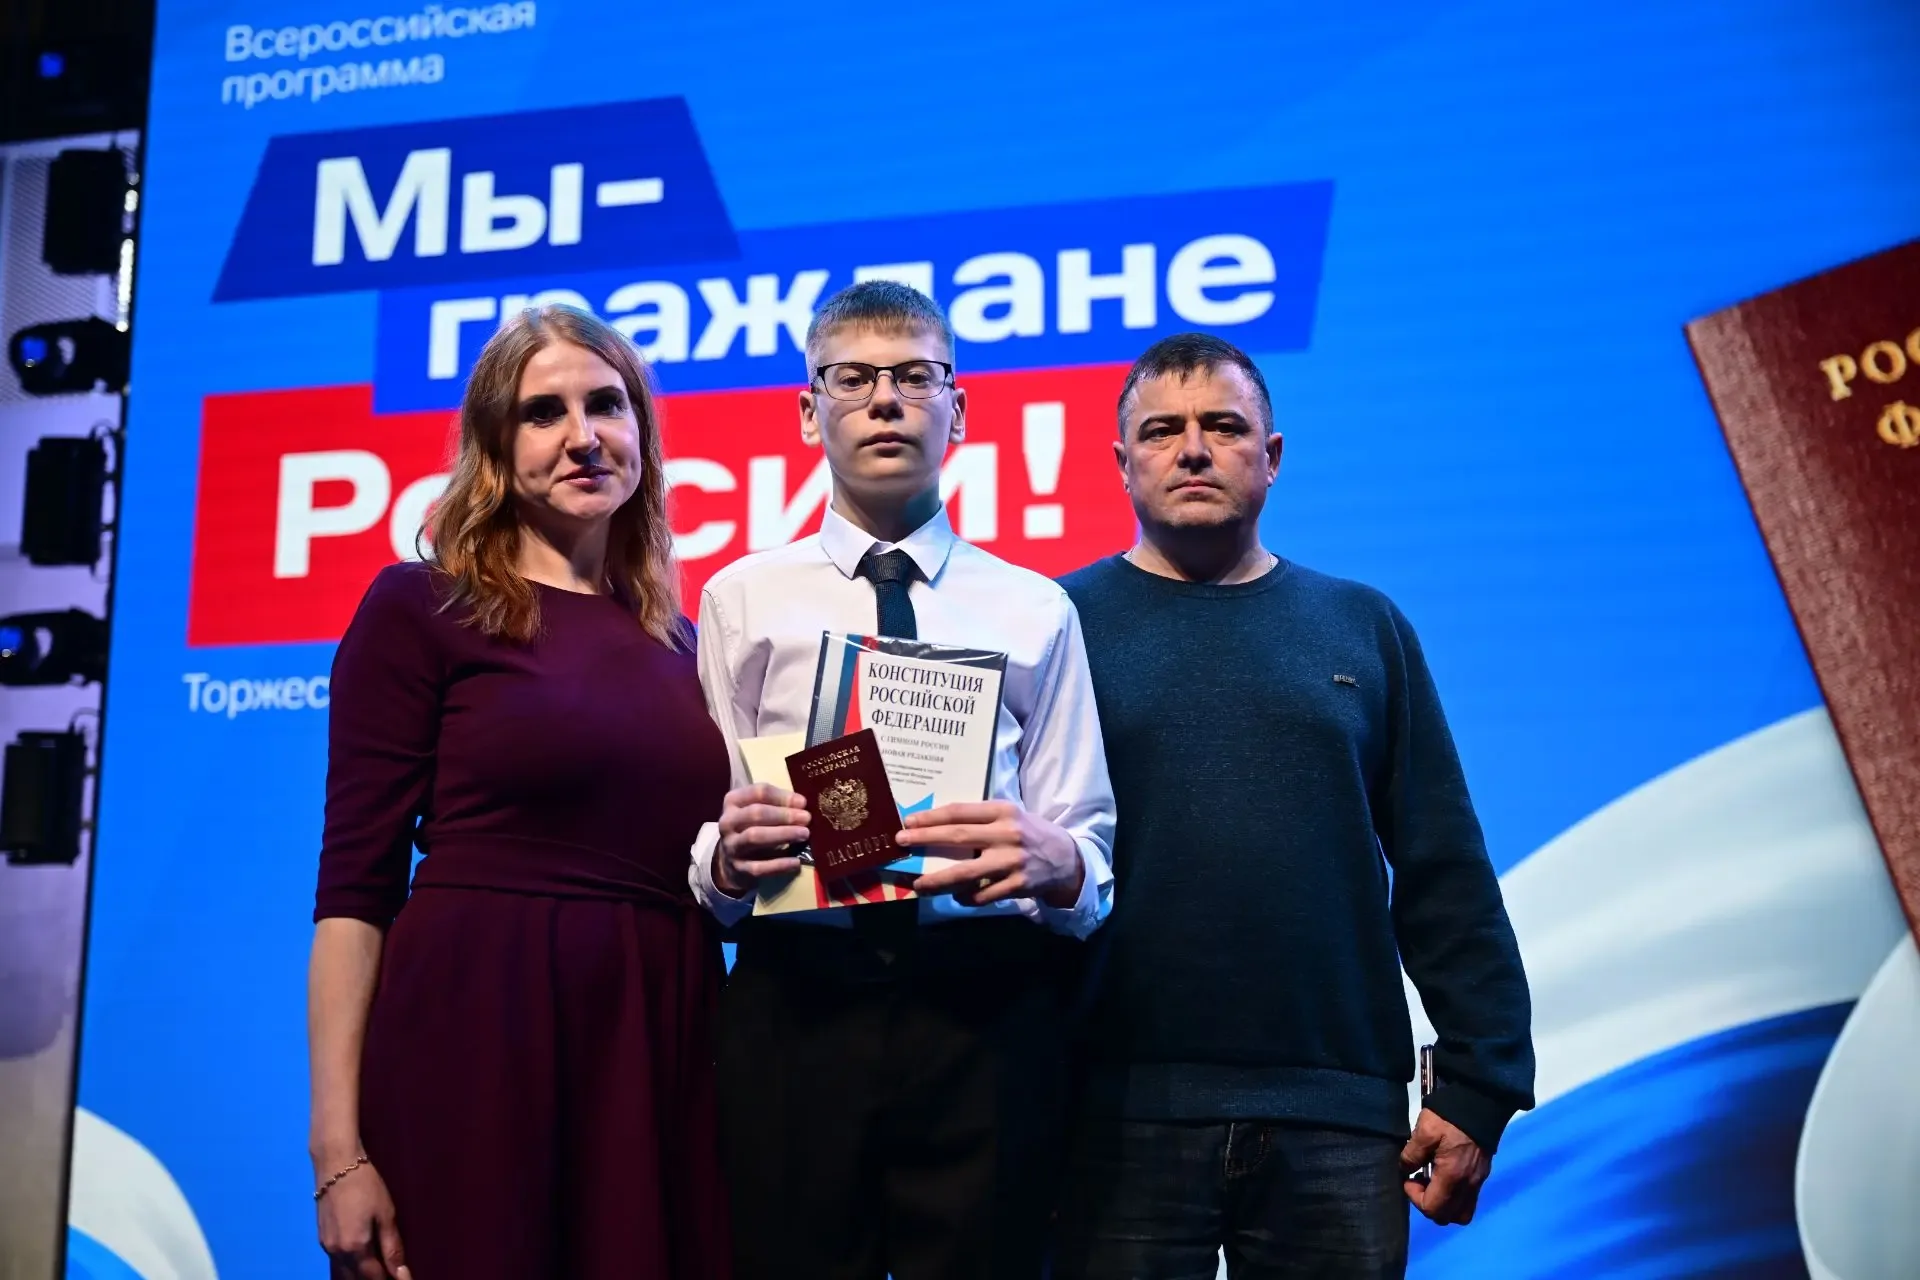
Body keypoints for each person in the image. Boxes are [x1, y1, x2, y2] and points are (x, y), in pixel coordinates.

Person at [1052, 333, 1536, 1279]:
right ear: (1121, 463)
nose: (1194, 449)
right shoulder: (1053, 627)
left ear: (1271, 456)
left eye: (1224, 427)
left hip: (1339, 1117)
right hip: (1110, 1115)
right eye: (1162, 431)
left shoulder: (1364, 626)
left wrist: (1481, 1083)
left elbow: (1443, 869)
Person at [689, 280, 1117, 1280]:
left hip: (985, 1012)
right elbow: (705, 842)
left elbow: (1090, 856)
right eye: (854, 378)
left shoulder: (1035, 608)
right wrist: (727, 862)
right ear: (810, 412)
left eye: (916, 376)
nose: (886, 399)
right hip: (797, 1008)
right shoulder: (740, 600)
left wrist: (1059, 863)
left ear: (958, 411)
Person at [307, 304, 732, 1280]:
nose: (583, 436)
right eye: (544, 412)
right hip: (476, 1036)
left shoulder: (690, 644)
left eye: (607, 405)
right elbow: (353, 895)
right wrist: (338, 1153)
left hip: (660, 1043)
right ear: (496, 448)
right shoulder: (421, 606)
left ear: (642, 434)